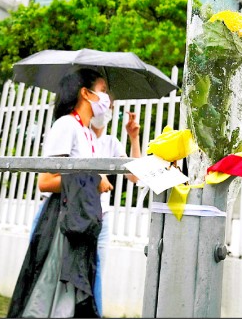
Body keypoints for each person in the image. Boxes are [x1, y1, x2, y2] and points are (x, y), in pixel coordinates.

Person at [9, 68, 140, 318]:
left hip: (82, 222)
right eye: (102, 91)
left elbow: (134, 175)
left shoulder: (88, 133)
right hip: (61, 220)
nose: (106, 100)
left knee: (72, 296)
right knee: (47, 294)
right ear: (85, 93)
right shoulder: (66, 125)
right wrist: (93, 180)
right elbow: (46, 181)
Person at [88, 95, 141, 317]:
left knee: (97, 271)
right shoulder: (81, 135)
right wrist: (96, 176)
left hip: (103, 216)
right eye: (103, 105)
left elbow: (134, 176)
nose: (106, 110)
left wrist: (134, 138)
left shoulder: (111, 142)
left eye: (110, 107)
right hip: (80, 212)